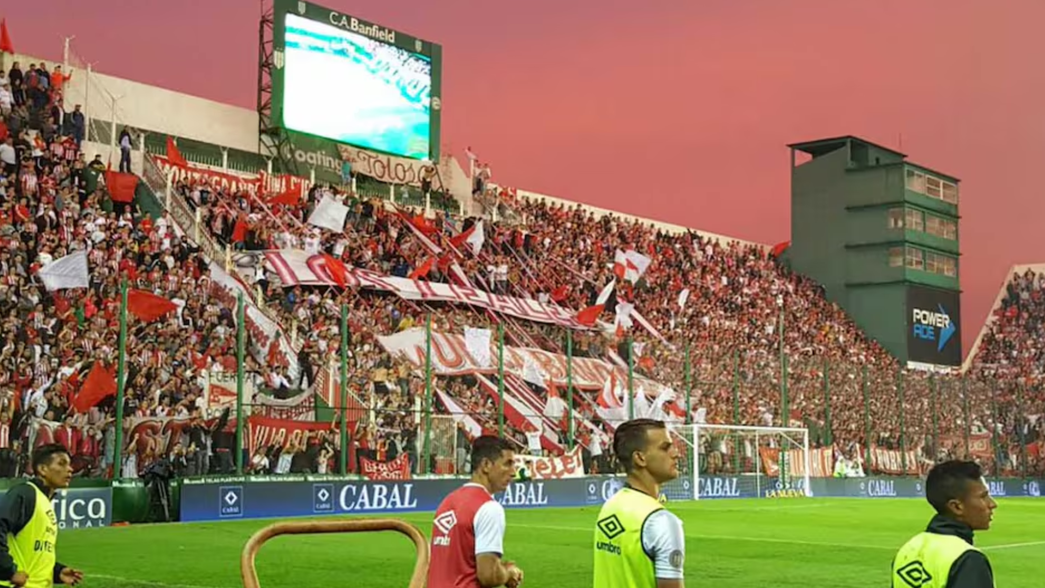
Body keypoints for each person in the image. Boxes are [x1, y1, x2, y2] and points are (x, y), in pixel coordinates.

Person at [593, 418, 685, 588]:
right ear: (640, 458)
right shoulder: (662, 522)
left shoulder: (611, 505)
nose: (676, 453)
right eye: (665, 447)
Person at [427, 435, 524, 588]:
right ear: (486, 465)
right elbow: (488, 575)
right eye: (508, 464)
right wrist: (509, 572)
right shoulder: (489, 508)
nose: (513, 472)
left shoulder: (448, 501)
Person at [892, 460, 997, 588]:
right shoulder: (967, 559)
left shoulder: (907, 550)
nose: (992, 504)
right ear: (956, 507)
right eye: (983, 497)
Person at [0, 444, 84, 587]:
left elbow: (35, 552)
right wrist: (9, 571)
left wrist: (57, 571)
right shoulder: (25, 493)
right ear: (42, 469)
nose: (70, 469)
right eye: (61, 464)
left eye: (69, 464)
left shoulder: (44, 501)